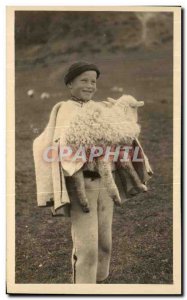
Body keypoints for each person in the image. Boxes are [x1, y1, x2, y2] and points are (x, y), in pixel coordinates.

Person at [33, 61, 153, 284]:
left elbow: (116, 133)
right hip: (82, 185)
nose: (89, 85)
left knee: (104, 243)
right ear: (70, 84)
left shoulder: (97, 108)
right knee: (87, 247)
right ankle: (83, 288)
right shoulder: (65, 109)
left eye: (93, 81)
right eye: (84, 81)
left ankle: (99, 284)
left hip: (105, 186)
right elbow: (61, 146)